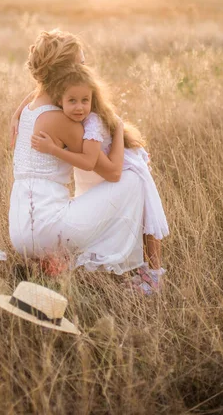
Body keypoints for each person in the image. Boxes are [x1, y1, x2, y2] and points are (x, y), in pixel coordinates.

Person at [8, 30, 146, 278]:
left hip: (20, 232)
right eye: (82, 64)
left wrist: (16, 110)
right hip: (49, 231)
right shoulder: (63, 121)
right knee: (134, 178)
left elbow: (39, 91)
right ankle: (111, 264)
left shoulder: (30, 109)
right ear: (68, 72)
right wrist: (118, 127)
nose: (86, 70)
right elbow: (113, 172)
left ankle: (55, 264)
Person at [31, 63, 168, 295]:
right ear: (59, 100)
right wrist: (17, 116)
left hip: (127, 167)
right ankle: (145, 272)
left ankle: (154, 276)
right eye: (72, 100)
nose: (79, 107)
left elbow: (87, 161)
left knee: (148, 218)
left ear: (93, 99)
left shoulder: (93, 122)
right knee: (132, 218)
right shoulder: (67, 118)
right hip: (104, 173)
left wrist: (52, 149)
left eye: (85, 100)